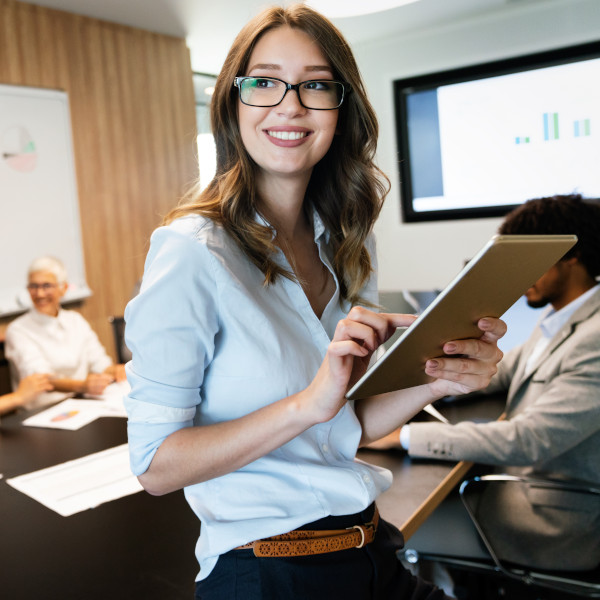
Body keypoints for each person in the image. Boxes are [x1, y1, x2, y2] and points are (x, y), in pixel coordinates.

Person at [123, 5, 506, 599]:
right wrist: (306, 404)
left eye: (316, 85)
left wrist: (440, 377)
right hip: (268, 573)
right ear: (233, 102)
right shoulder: (192, 251)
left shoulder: (350, 241)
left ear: (341, 107)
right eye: (265, 81)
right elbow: (154, 466)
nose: (290, 104)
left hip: (372, 551)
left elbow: (348, 419)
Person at [389, 194, 600, 573]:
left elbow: (529, 440)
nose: (516, 277)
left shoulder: (595, 335)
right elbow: (506, 372)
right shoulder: (566, 318)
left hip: (556, 521)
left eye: (525, 263)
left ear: (569, 254)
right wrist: (425, 382)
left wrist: (402, 437)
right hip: (531, 489)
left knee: (394, 524)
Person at [5, 256, 126, 408]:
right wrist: (83, 385)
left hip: (83, 404)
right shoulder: (18, 330)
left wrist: (115, 371)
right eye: (33, 287)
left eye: (46, 286)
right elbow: (41, 380)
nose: (40, 294)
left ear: (63, 288)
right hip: (42, 410)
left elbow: (100, 363)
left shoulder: (76, 320)